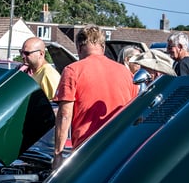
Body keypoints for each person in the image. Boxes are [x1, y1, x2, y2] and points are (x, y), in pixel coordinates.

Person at [53, 25, 137, 167]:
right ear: (103, 47)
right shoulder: (125, 73)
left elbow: (64, 115)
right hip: (119, 147)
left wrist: (58, 154)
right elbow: (134, 113)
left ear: (79, 47)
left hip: (87, 149)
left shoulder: (72, 70)